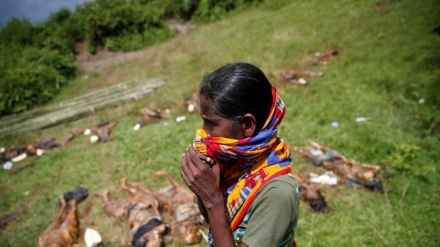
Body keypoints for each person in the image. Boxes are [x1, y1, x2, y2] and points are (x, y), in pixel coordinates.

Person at [181, 62, 300, 247]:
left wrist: (212, 200)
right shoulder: (234, 164)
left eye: (211, 123)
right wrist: (204, 190)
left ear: (247, 125)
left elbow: (215, 211)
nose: (204, 131)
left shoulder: (277, 193)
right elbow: (216, 223)